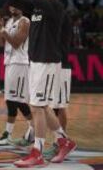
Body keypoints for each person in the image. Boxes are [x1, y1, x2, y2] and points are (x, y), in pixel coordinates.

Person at [9, 0, 76, 168]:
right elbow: (14, 2)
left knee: (38, 107)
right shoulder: (37, 9)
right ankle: (63, 140)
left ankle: (37, 152)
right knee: (42, 106)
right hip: (36, 63)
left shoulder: (55, 6)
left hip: (47, 62)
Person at [0, 2, 34, 147]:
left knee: (18, 101)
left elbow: (16, 43)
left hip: (20, 63)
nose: (13, 8)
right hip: (10, 63)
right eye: (11, 5)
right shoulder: (9, 22)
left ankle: (10, 133)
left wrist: (2, 29)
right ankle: (32, 129)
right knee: (11, 100)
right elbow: (1, 44)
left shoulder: (25, 21)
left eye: (16, 5)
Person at [44, 10, 73, 159]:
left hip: (62, 66)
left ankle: (60, 144)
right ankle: (58, 142)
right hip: (53, 66)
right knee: (53, 107)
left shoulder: (63, 20)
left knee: (60, 106)